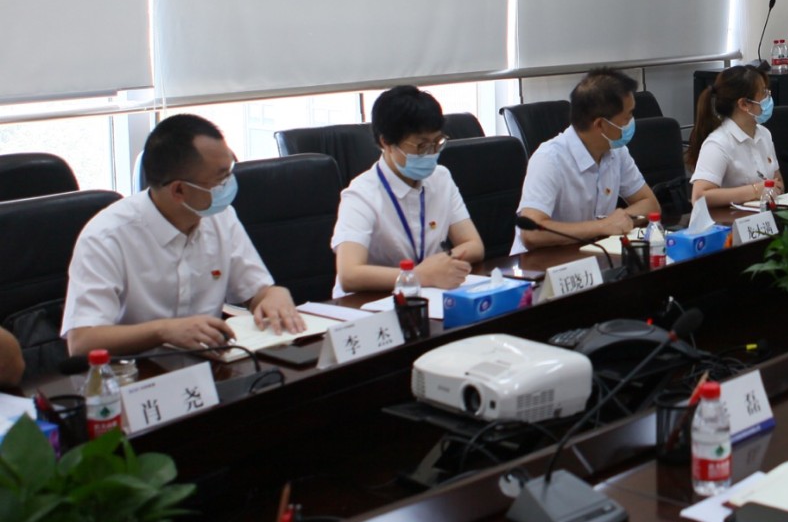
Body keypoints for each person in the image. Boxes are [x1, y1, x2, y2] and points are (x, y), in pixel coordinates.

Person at [60, 114, 304, 356]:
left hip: (212, 364)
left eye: (230, 171)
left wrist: (273, 294)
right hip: (138, 373)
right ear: (179, 190)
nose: (230, 184)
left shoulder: (221, 217)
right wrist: (163, 331)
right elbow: (82, 341)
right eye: (221, 179)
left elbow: (257, 292)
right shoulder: (106, 237)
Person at [331, 86, 485, 296]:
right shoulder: (360, 194)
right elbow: (349, 274)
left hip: (427, 294)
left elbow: (474, 245)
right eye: (421, 146)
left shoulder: (440, 178)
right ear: (386, 142)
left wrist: (438, 265)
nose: (431, 153)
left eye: (437, 142)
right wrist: (419, 275)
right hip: (369, 304)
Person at [514, 68, 661, 251]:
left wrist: (619, 221)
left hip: (591, 254)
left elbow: (650, 204)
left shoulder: (616, 152)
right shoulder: (549, 159)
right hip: (540, 263)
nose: (631, 122)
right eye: (627, 116)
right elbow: (531, 233)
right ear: (601, 124)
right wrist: (602, 226)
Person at [686, 63, 784, 208]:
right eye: (764, 93)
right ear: (744, 104)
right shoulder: (718, 143)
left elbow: (778, 183)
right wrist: (755, 191)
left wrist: (774, 188)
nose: (768, 98)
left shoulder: (764, 134)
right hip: (731, 218)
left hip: (763, 214)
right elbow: (699, 196)